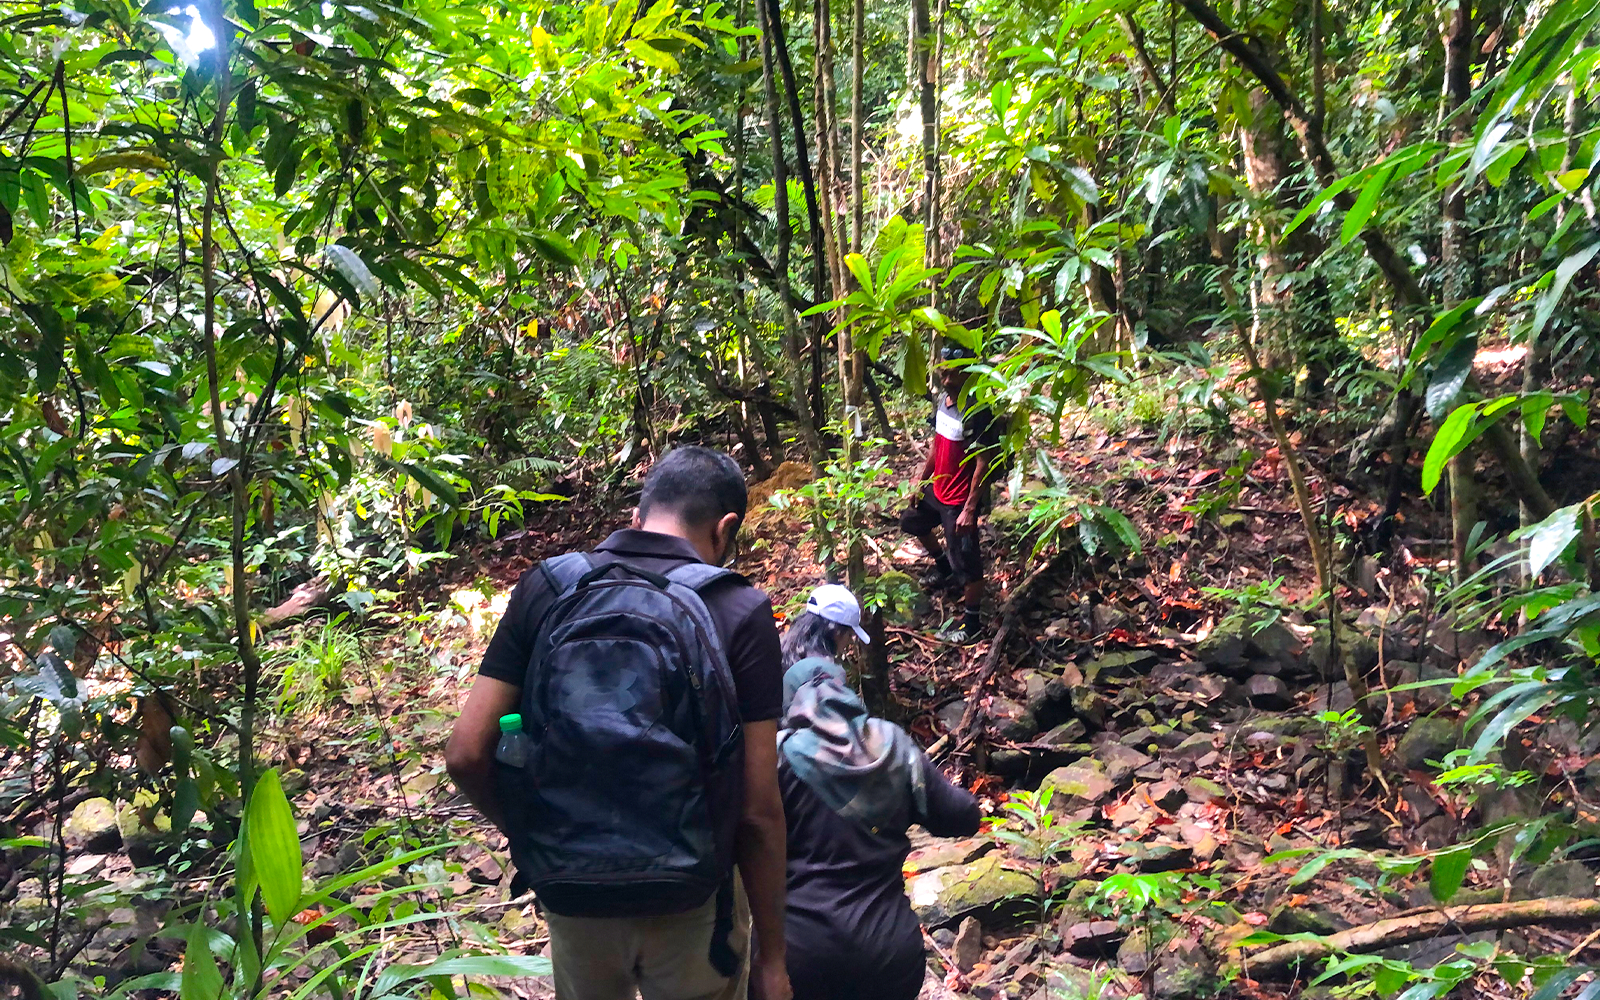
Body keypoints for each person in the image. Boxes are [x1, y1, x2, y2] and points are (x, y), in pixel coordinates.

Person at [445, 446, 792, 1000]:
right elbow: (757, 810)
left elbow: (465, 754)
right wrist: (773, 959)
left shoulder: (549, 587)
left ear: (638, 514)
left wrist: (542, 836)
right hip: (693, 904)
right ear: (724, 529)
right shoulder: (739, 610)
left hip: (575, 892)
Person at [775, 585, 982, 1000]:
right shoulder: (892, 744)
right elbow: (963, 816)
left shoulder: (775, 757)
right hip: (890, 951)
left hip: (801, 951)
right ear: (846, 692)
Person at [900, 343, 1004, 644]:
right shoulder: (942, 401)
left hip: (960, 496)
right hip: (939, 486)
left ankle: (972, 625)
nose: (946, 380)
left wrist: (970, 508)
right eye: (943, 372)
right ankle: (942, 568)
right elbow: (937, 443)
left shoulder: (978, 409)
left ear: (968, 373)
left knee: (968, 563)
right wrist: (922, 481)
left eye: (953, 374)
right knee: (912, 521)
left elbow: (985, 458)